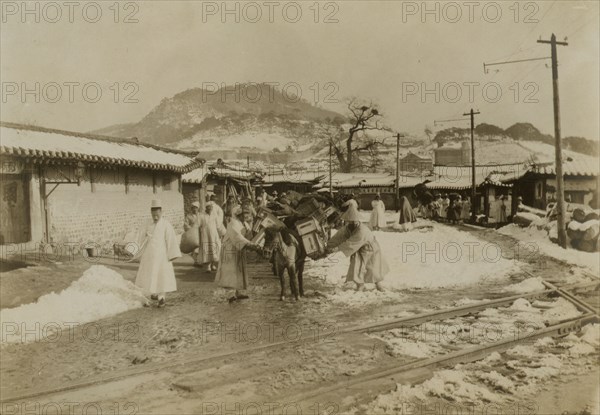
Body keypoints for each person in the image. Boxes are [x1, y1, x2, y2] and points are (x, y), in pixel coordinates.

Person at [324, 204, 389, 292]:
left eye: (353, 221)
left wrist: (336, 249)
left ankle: (378, 284)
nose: (351, 223)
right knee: (356, 266)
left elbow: (350, 243)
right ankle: (360, 284)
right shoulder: (348, 228)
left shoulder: (362, 230)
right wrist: (329, 245)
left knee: (373, 268)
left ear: (357, 220)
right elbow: (339, 236)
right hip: (358, 248)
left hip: (370, 248)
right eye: (349, 221)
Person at [133, 199, 181, 308]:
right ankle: (148, 296)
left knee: (161, 277)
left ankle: (161, 298)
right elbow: (139, 237)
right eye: (153, 215)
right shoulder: (146, 223)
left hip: (162, 256)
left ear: (161, 213)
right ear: (151, 213)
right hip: (149, 255)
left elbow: (171, 240)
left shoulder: (166, 224)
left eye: (157, 215)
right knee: (148, 275)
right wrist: (133, 249)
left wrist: (172, 254)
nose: (155, 217)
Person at [215, 206, 261, 303]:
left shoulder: (243, 223)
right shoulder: (232, 224)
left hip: (239, 248)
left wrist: (253, 236)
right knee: (231, 271)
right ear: (238, 215)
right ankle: (230, 294)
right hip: (230, 249)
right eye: (243, 215)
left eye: (245, 214)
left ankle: (239, 292)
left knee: (239, 269)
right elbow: (237, 237)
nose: (245, 216)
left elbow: (248, 235)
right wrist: (251, 245)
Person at [198, 204, 226, 272]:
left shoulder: (214, 216)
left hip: (214, 235)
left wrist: (223, 233)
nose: (210, 209)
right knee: (207, 250)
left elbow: (219, 225)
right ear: (206, 208)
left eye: (211, 208)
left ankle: (213, 264)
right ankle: (208, 266)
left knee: (214, 249)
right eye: (208, 208)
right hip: (205, 235)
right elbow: (198, 225)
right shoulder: (201, 216)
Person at [184, 201, 201, 267]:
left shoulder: (200, 215)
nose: (195, 209)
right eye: (193, 208)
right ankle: (196, 261)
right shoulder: (189, 216)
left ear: (198, 208)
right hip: (193, 234)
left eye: (196, 208)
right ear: (191, 209)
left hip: (200, 232)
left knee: (200, 247)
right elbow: (185, 224)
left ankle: (199, 260)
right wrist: (190, 228)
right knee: (195, 247)